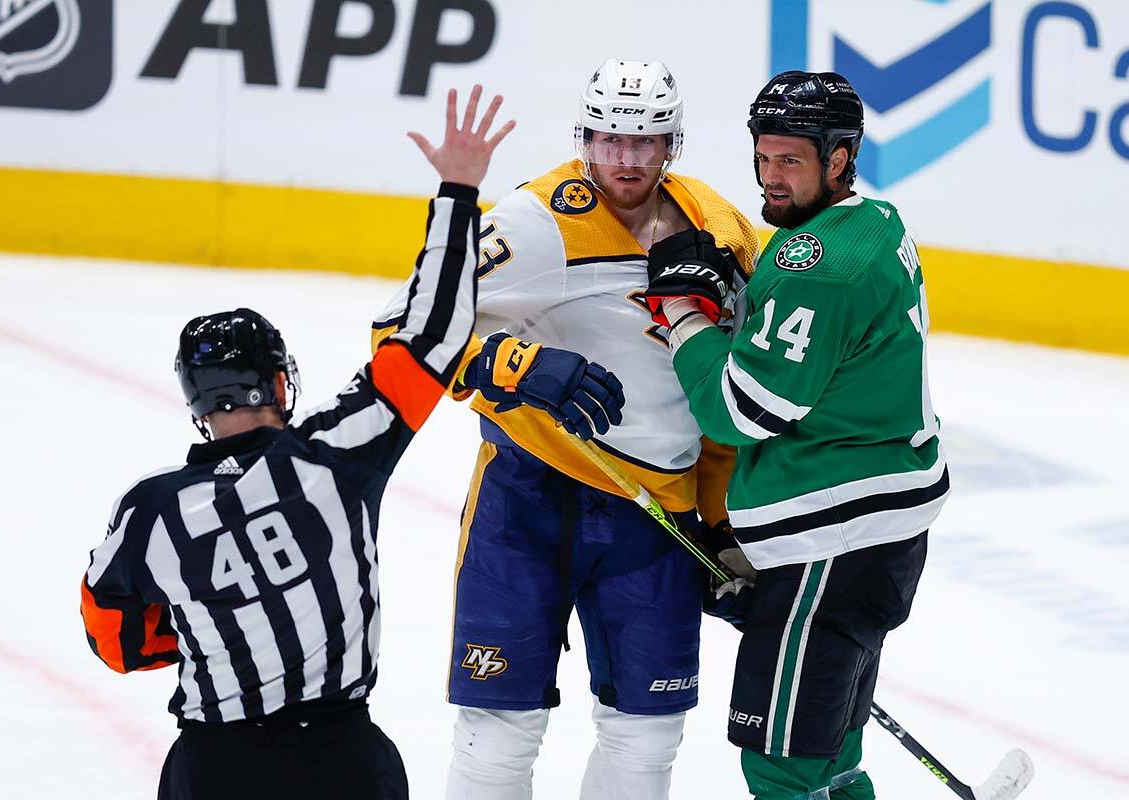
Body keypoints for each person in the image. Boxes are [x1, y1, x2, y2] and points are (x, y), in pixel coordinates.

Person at [79, 85, 515, 800]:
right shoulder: (333, 455)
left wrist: (210, 626)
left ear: (198, 404)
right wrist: (458, 191)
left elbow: (114, 641)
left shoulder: (149, 512)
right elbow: (434, 336)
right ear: (279, 384)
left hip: (213, 768)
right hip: (340, 759)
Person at [374, 60, 758, 799]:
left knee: (646, 737)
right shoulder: (536, 220)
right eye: (610, 138)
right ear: (584, 136)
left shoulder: (721, 229)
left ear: (672, 144)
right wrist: (508, 363)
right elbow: (403, 328)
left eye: (646, 142)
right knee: (497, 733)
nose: (626, 159)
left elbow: (728, 396)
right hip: (528, 497)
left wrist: (722, 524)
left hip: (658, 515)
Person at [642, 71, 950, 799]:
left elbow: (738, 409)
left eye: (792, 162)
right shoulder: (877, 221)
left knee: (781, 767)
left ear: (839, 158)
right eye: (764, 158)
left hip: (832, 541)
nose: (771, 179)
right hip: (882, 529)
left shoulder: (818, 265)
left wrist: (685, 314)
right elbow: (818, 361)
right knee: (830, 757)